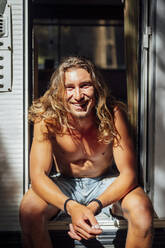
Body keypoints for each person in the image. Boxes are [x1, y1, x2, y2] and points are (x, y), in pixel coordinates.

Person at [19, 56, 153, 248]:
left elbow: (129, 174)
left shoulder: (113, 114)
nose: (78, 95)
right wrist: (71, 207)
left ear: (97, 87)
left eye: (85, 85)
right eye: (69, 88)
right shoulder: (47, 119)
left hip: (105, 183)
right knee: (29, 210)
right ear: (58, 92)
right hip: (65, 183)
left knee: (142, 210)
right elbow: (38, 176)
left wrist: (92, 207)